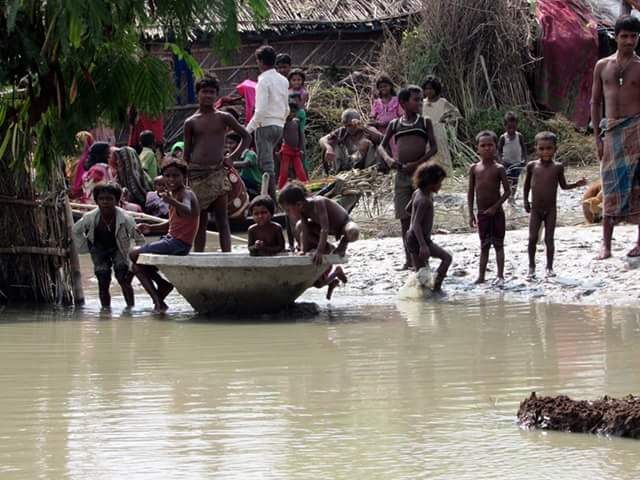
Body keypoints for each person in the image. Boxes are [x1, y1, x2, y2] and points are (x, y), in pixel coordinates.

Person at [591, 15, 640, 260]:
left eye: (633, 36)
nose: (629, 41)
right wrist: (597, 139)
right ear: (616, 37)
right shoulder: (602, 66)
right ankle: (606, 245)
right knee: (610, 187)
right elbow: (596, 101)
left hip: (637, 132)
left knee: (638, 187)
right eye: (624, 36)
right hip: (611, 133)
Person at [184, 75, 251, 252]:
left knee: (222, 219)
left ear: (216, 95)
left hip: (218, 172)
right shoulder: (190, 122)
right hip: (197, 175)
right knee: (200, 221)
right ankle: (199, 257)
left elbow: (246, 136)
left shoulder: (224, 118)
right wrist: (184, 182)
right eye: (204, 92)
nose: (208, 96)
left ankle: (227, 256)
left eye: (212, 93)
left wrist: (233, 157)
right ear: (197, 94)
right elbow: (186, 154)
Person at [378, 85, 437, 270]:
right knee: (405, 219)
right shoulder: (395, 124)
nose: (420, 102)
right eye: (416, 100)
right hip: (402, 176)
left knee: (422, 218)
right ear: (403, 103)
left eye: (421, 99)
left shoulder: (424, 122)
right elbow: (381, 145)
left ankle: (423, 258)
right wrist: (389, 160)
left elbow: (434, 148)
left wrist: (418, 162)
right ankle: (410, 259)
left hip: (421, 179)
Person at [130, 159, 200, 313]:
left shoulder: (185, 193)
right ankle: (160, 297)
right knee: (136, 266)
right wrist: (151, 227)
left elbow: (187, 210)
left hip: (179, 243)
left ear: (184, 176)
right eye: (167, 176)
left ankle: (159, 297)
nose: (171, 180)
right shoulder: (174, 194)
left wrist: (171, 201)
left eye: (175, 176)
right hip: (171, 240)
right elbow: (173, 222)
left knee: (133, 253)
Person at [523, 132, 587, 278]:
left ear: (555, 149)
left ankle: (549, 267)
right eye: (542, 148)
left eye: (549, 148)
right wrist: (525, 201)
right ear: (536, 148)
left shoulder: (558, 167)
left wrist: (576, 184)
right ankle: (531, 267)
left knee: (549, 239)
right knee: (532, 238)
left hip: (551, 209)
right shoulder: (532, 166)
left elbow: (563, 186)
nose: (545, 152)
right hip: (536, 209)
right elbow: (526, 186)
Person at [73, 182, 144, 309]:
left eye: (109, 199)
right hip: (99, 248)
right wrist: (85, 245)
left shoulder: (126, 218)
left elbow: (139, 239)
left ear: (116, 201)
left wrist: (136, 260)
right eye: (102, 199)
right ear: (96, 201)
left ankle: (131, 308)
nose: (105, 202)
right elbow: (76, 231)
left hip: (119, 248)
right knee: (103, 280)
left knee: (123, 279)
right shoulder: (90, 217)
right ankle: (105, 311)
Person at [246, 46, 290, 201]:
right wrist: (281, 121)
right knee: (269, 162)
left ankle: (272, 201)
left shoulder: (263, 80)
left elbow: (261, 110)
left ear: (261, 62)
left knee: (266, 166)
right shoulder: (283, 80)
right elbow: (286, 107)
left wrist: (248, 129)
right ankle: (270, 196)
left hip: (265, 126)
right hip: (279, 126)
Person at [467, 131, 511, 285]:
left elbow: (507, 191)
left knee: (498, 244)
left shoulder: (499, 168)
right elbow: (471, 191)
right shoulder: (474, 168)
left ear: (495, 147)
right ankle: (481, 276)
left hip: (497, 213)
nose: (487, 148)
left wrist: (495, 207)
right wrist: (470, 213)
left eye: (490, 145)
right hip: (482, 214)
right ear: (477, 148)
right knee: (484, 246)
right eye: (483, 145)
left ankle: (500, 275)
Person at [279, 181, 359, 263]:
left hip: (344, 225)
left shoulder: (318, 202)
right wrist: (303, 250)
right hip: (326, 228)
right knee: (299, 226)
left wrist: (319, 251)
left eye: (288, 210)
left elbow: (325, 228)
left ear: (299, 204)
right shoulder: (302, 211)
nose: (287, 213)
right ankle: (327, 247)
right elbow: (304, 231)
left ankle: (343, 244)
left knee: (353, 232)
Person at [405, 162, 452, 291]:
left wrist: (424, 223)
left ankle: (424, 292)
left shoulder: (417, 193)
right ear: (431, 183)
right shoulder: (424, 200)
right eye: (439, 183)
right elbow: (416, 223)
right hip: (418, 239)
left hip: (412, 237)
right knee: (446, 258)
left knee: (423, 271)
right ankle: (436, 288)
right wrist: (423, 244)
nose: (440, 186)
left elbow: (408, 209)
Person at [320, 109, 383, 174]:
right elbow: (322, 140)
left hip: (365, 167)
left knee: (367, 143)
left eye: (350, 125)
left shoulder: (367, 129)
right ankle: (337, 172)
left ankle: (369, 172)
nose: (348, 129)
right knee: (333, 144)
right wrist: (328, 148)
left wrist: (363, 127)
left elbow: (381, 138)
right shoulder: (342, 131)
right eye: (346, 125)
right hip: (347, 165)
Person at [422, 75, 461, 173]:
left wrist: (447, 119)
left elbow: (456, 113)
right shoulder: (422, 102)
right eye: (426, 89)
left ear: (436, 89)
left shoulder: (442, 102)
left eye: (431, 89)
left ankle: (445, 176)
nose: (428, 91)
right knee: (427, 155)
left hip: (439, 133)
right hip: (425, 133)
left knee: (441, 155)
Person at [370, 75, 403, 172]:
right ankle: (383, 169)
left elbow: (401, 116)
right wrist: (373, 122)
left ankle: (397, 167)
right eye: (380, 87)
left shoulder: (396, 100)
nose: (383, 89)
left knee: (395, 149)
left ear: (390, 86)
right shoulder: (376, 102)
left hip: (394, 130)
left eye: (385, 86)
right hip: (381, 132)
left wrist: (385, 123)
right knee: (381, 148)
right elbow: (372, 116)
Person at [278, 99, 308, 189]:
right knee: (284, 171)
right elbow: (279, 137)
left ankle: (306, 186)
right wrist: (278, 150)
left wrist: (301, 148)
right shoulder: (283, 123)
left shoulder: (296, 122)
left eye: (295, 112)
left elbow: (300, 136)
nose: (293, 114)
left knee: (300, 170)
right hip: (286, 150)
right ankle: (280, 188)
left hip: (295, 151)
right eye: (291, 111)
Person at [497, 111, 527, 203]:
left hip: (517, 163)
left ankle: (512, 197)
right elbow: (499, 150)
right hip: (506, 163)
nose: (511, 130)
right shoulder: (503, 137)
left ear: (517, 125)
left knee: (515, 180)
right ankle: (507, 195)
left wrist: (525, 158)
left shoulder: (519, 136)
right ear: (505, 126)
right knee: (507, 180)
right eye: (509, 128)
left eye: (513, 127)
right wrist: (500, 161)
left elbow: (523, 148)